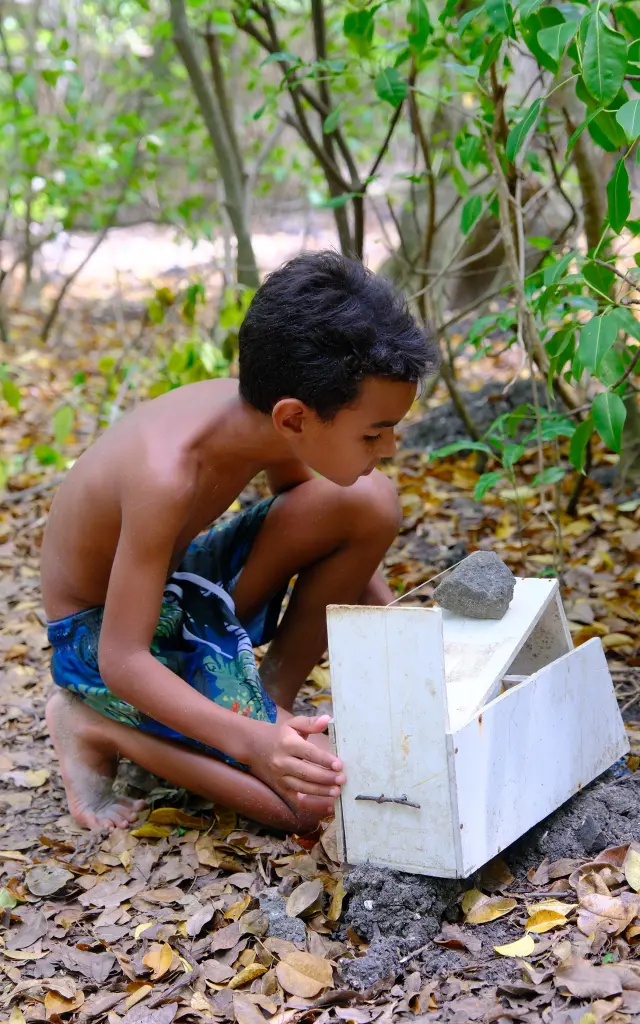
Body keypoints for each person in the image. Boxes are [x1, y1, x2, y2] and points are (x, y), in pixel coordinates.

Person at [41, 250, 438, 834]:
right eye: (374, 433)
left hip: (180, 585)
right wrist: (252, 742)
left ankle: (270, 702)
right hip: (101, 638)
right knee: (310, 806)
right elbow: (122, 660)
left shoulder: (274, 415)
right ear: (294, 418)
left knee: (370, 501)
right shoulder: (165, 475)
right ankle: (95, 726)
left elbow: (315, 513)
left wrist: (399, 631)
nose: (390, 448)